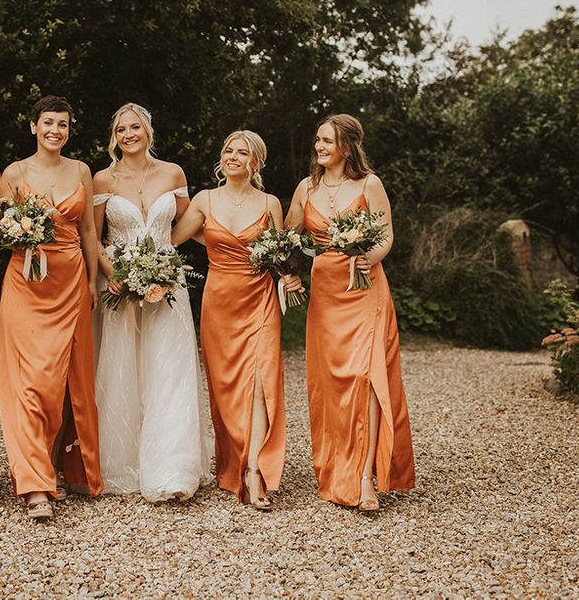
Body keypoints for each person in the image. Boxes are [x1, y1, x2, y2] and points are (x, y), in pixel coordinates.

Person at [286, 113, 414, 511]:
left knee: (367, 377)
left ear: (347, 146)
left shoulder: (369, 184)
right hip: (326, 290)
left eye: (327, 141)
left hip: (365, 289)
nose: (319, 147)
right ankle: (338, 464)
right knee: (333, 383)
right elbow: (291, 238)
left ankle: (364, 478)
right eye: (318, 140)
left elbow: (386, 233)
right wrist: (290, 274)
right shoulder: (306, 187)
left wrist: (368, 256)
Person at [172, 130, 300, 509]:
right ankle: (234, 460)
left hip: (259, 298)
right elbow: (176, 237)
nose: (232, 156)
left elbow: (281, 252)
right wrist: (217, 242)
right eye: (228, 149)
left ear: (255, 163)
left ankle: (255, 471)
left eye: (242, 153)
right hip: (219, 302)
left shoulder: (270, 202)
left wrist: (290, 274)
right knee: (226, 387)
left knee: (261, 382)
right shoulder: (205, 199)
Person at [92, 102, 210, 501]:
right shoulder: (102, 179)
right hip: (120, 288)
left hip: (168, 285)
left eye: (135, 127)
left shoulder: (172, 173)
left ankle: (172, 467)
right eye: (122, 128)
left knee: (169, 370)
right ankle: (122, 465)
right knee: (122, 369)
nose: (129, 134)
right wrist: (116, 275)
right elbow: (92, 238)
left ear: (147, 131)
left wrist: (234, 248)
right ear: (115, 135)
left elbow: (186, 226)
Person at [0, 95, 103, 519]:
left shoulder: (81, 171)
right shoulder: (13, 173)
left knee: (63, 380)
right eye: (48, 123)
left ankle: (58, 465)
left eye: (63, 124)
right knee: (31, 381)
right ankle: (35, 484)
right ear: (33, 127)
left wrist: (95, 279)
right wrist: (24, 234)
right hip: (26, 284)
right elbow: (2, 233)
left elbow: (89, 230)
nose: (55, 130)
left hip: (71, 280)